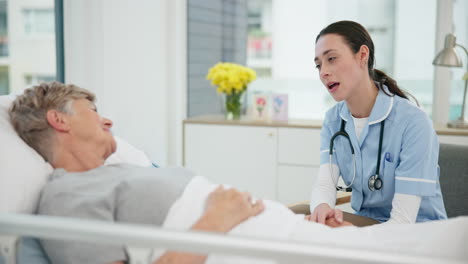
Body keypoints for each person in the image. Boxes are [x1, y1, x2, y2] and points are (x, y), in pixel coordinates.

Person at [9, 82, 465, 264]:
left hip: (290, 235)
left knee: (446, 242)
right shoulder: (62, 201)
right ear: (59, 120)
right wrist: (217, 222)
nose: (107, 121)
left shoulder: (115, 172)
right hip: (259, 246)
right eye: (94, 111)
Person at [308, 20, 447, 225]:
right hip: (367, 226)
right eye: (319, 65)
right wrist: (322, 209)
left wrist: (352, 233)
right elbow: (324, 184)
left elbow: (403, 221)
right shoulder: (333, 120)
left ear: (362, 55)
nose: (323, 72)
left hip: (418, 235)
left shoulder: (413, 122)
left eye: (332, 59)